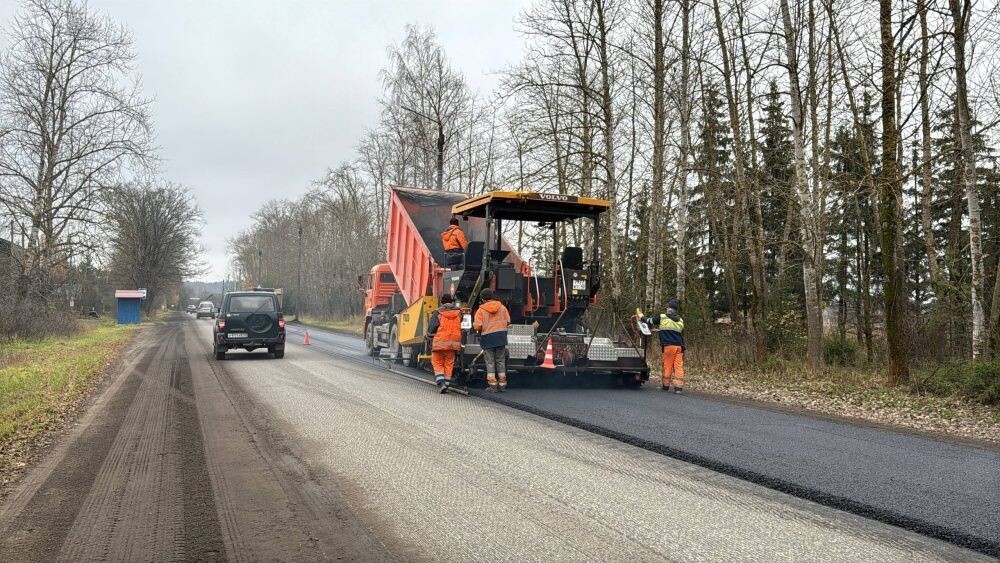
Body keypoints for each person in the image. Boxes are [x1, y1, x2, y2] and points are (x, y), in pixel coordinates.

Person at [641, 299, 685, 394]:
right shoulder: (680, 320)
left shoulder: (663, 317)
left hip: (669, 347)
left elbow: (650, 321)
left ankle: (666, 386)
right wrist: (661, 331)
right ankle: (678, 388)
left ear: (669, 308)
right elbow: (674, 332)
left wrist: (641, 317)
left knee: (667, 366)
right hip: (680, 347)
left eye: (668, 307)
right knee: (678, 367)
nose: (667, 309)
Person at [473, 288, 510, 392]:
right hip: (501, 338)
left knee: (490, 362)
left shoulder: (481, 310)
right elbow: (508, 321)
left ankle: (493, 385)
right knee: (500, 360)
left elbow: (477, 326)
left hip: (488, 339)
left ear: (483, 299)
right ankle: (502, 384)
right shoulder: (502, 308)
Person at [427, 293, 463, 393]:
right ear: (452, 301)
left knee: (437, 363)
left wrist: (429, 336)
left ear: (442, 302)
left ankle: (441, 383)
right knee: (449, 363)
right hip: (453, 344)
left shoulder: (438, 313)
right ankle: (446, 384)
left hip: (439, 342)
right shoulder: (459, 313)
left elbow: (431, 328)